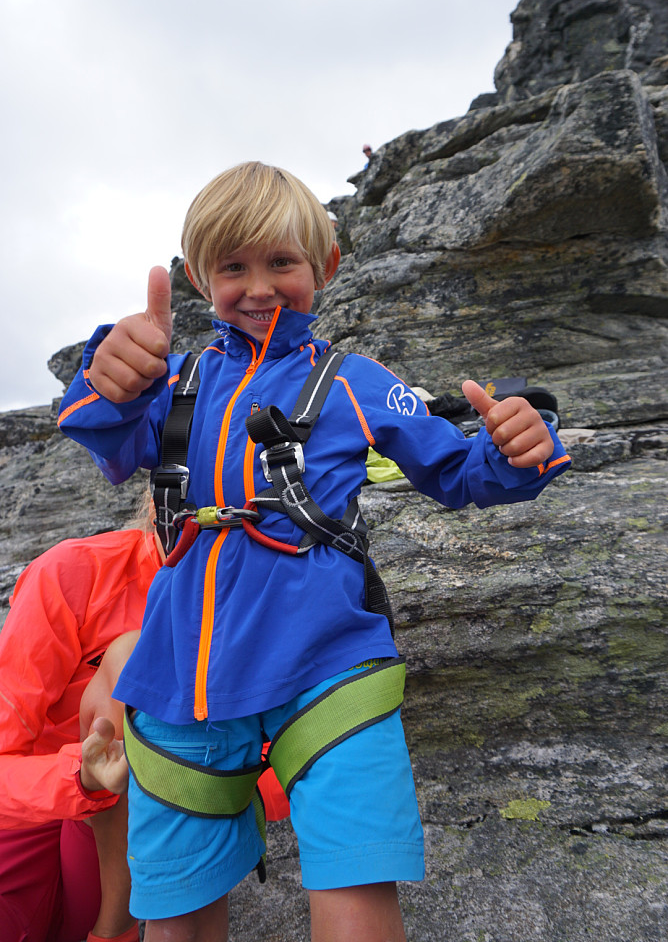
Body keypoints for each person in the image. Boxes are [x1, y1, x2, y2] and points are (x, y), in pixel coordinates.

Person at [57, 160, 571, 942]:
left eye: (281, 263)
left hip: (331, 670)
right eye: (233, 266)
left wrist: (516, 448)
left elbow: (460, 472)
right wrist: (112, 377)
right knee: (173, 915)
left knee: (356, 891)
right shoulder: (172, 384)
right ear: (198, 279)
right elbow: (112, 439)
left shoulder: (356, 383)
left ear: (325, 267)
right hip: (179, 680)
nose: (259, 286)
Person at [0, 520, 289, 942]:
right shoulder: (72, 574)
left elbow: (279, 767)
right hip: (34, 818)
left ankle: (113, 932)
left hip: (127, 843)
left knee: (131, 662)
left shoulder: (261, 600)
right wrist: (81, 777)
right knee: (131, 657)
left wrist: (189, 786)